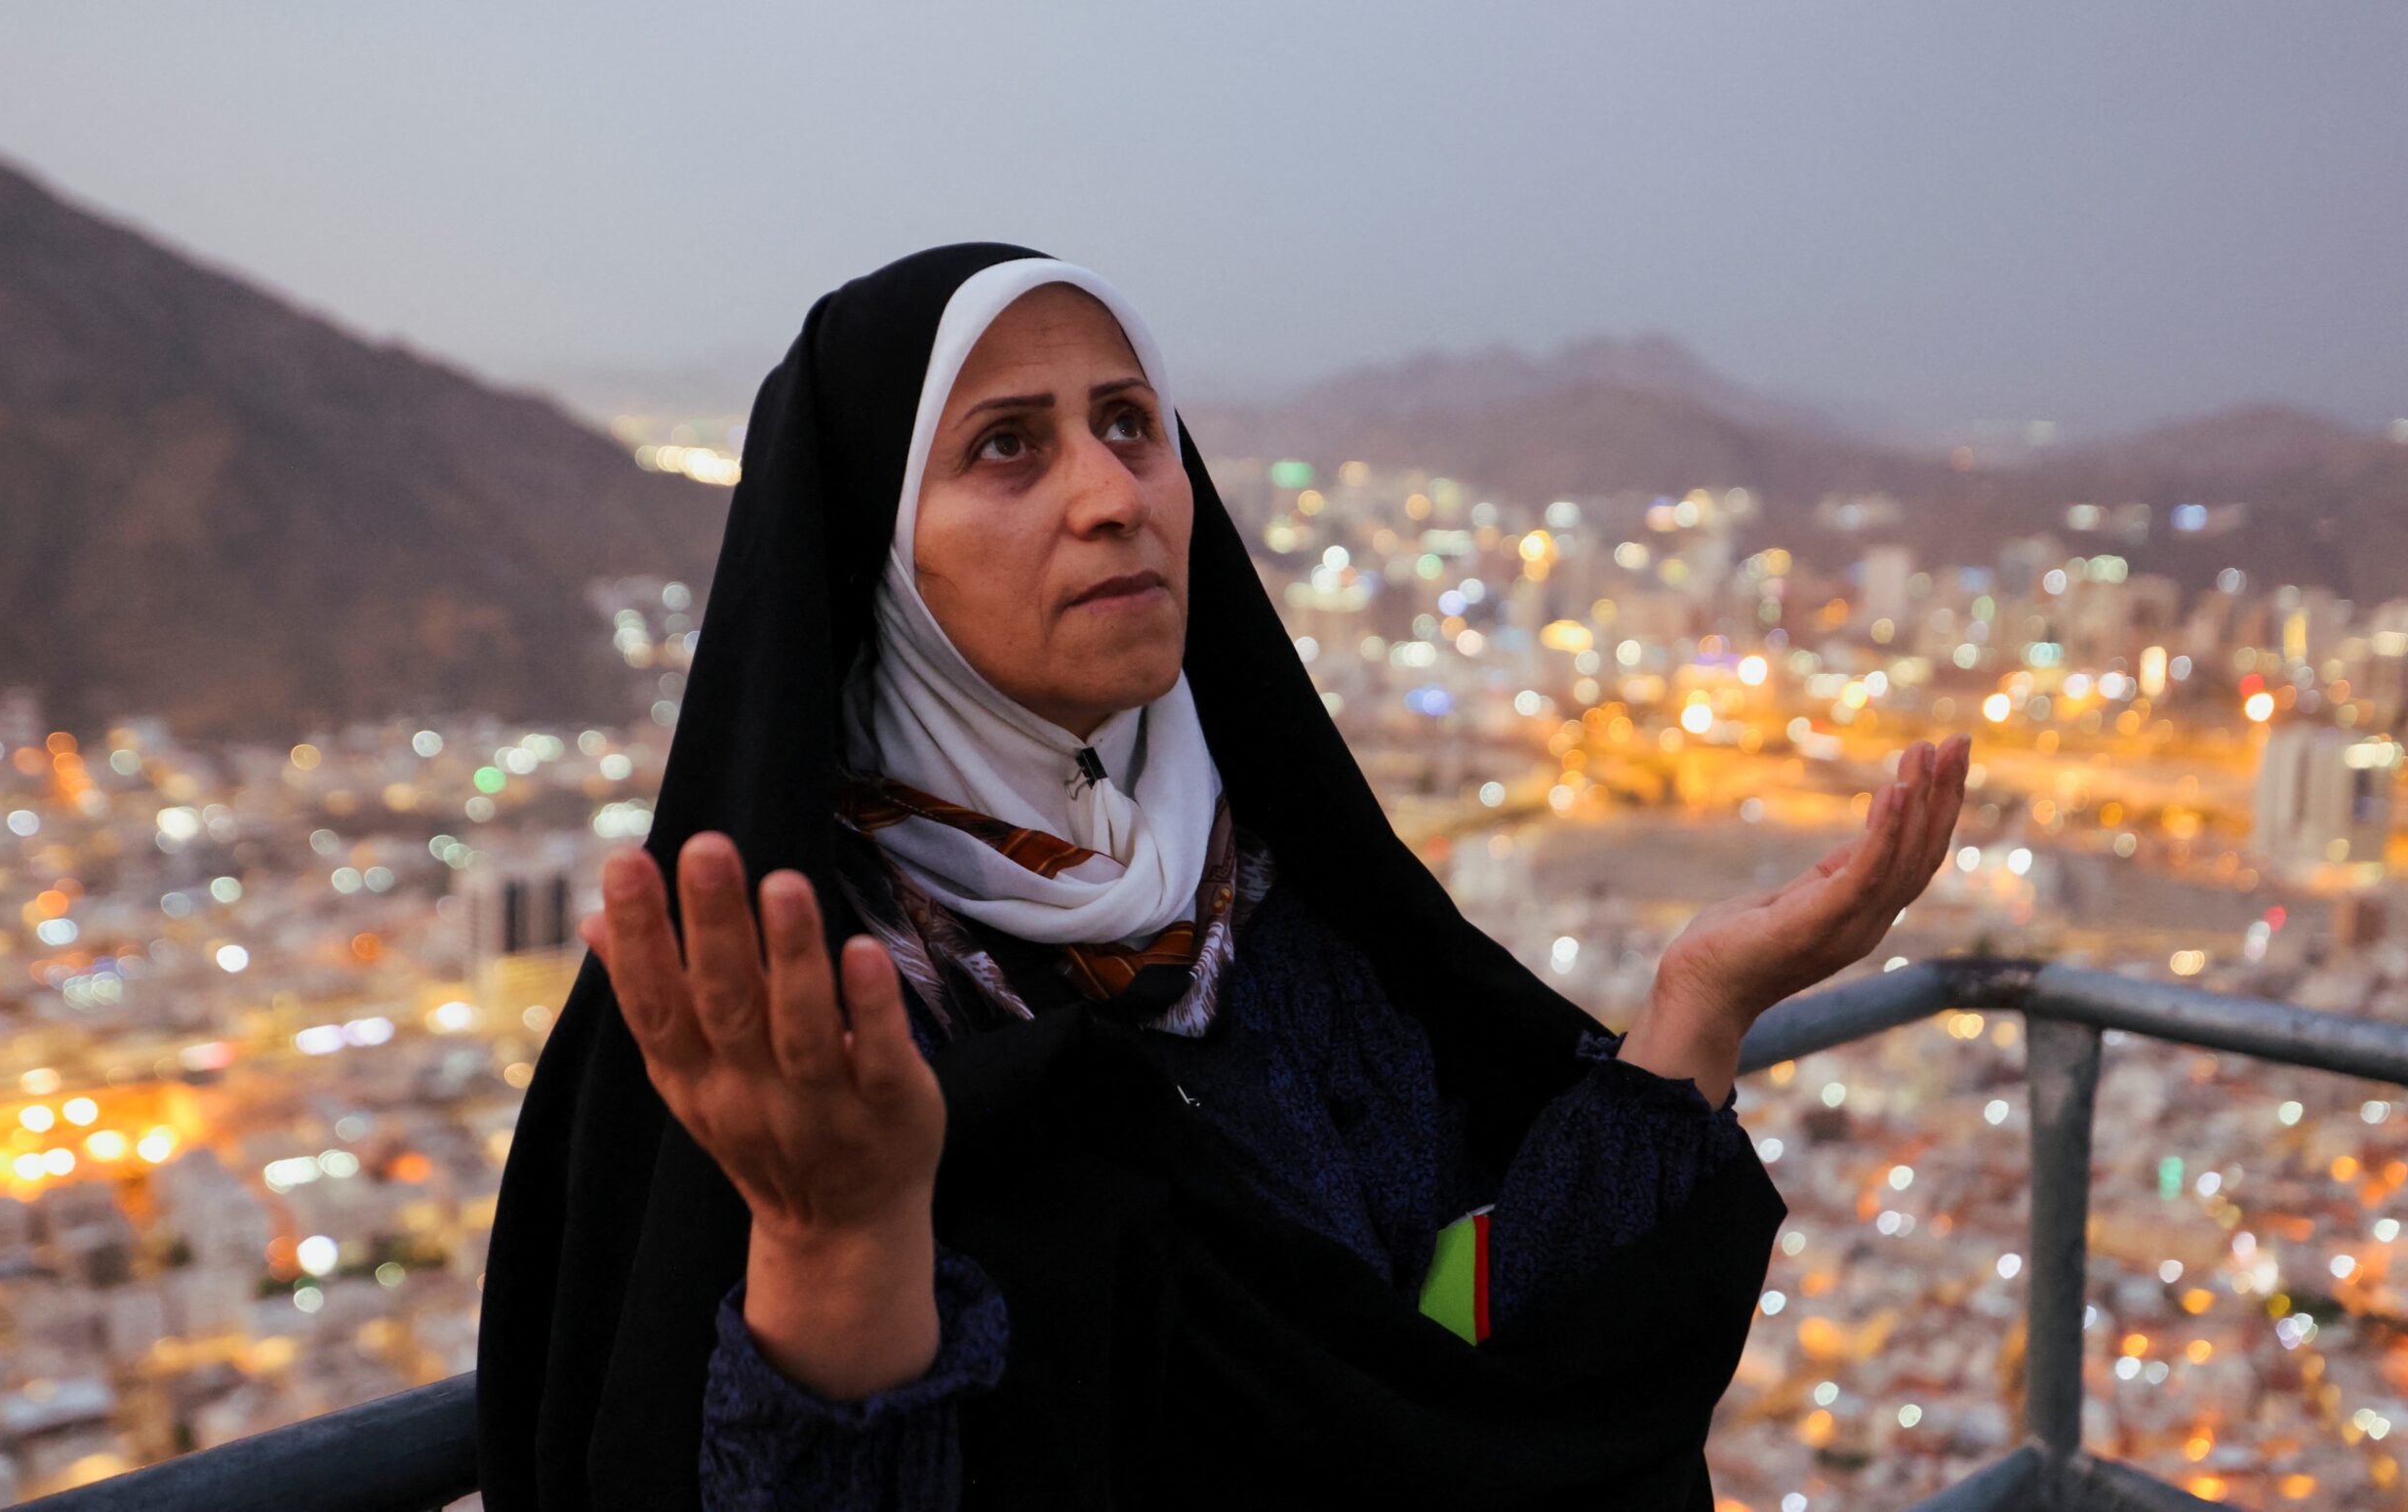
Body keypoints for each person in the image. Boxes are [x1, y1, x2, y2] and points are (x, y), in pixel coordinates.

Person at [473, 243, 1971, 1511]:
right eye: (1009, 443)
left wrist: (1698, 1011)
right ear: (872, 552)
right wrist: (832, 1242)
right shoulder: (754, 1009)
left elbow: (1461, 1362)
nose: (1116, 491)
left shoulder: (1269, 922)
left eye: (1132, 424)